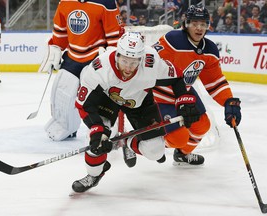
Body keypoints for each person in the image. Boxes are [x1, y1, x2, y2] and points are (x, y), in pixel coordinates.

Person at [71, 32, 200, 193]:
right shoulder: (99, 68)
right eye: (124, 60)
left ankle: (129, 142)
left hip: (139, 99)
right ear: (117, 55)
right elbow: (83, 105)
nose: (128, 67)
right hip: (106, 99)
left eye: (133, 62)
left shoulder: (151, 62)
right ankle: (94, 174)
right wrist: (98, 130)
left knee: (155, 151)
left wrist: (183, 102)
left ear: (141, 58)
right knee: (95, 144)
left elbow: (177, 77)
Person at [150, 4, 242, 166]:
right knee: (178, 138)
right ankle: (141, 144)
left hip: (185, 93)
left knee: (202, 126)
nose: (199, 28)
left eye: (203, 24)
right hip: (161, 95)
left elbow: (215, 82)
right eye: (194, 23)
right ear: (186, 24)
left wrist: (229, 101)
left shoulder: (210, 50)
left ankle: (182, 154)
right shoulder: (173, 40)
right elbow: (147, 63)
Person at [38, 0, 123, 141]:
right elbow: (61, 31)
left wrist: (111, 57)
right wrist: (56, 48)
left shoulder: (106, 3)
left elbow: (115, 36)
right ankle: (66, 126)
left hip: (96, 56)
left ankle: (103, 128)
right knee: (63, 90)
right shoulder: (65, 2)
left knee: (97, 95)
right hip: (72, 56)